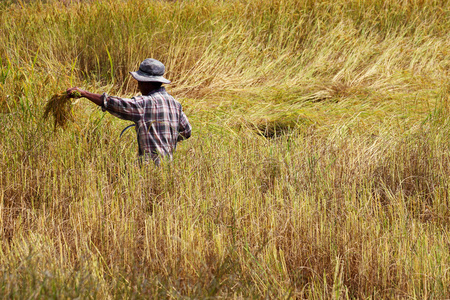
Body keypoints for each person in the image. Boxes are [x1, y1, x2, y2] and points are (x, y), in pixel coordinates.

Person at [67, 58, 191, 166]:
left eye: (139, 82)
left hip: (149, 169)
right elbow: (186, 131)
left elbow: (114, 103)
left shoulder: (144, 103)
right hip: (168, 169)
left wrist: (84, 93)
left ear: (145, 82)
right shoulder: (175, 104)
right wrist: (166, 139)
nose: (138, 86)